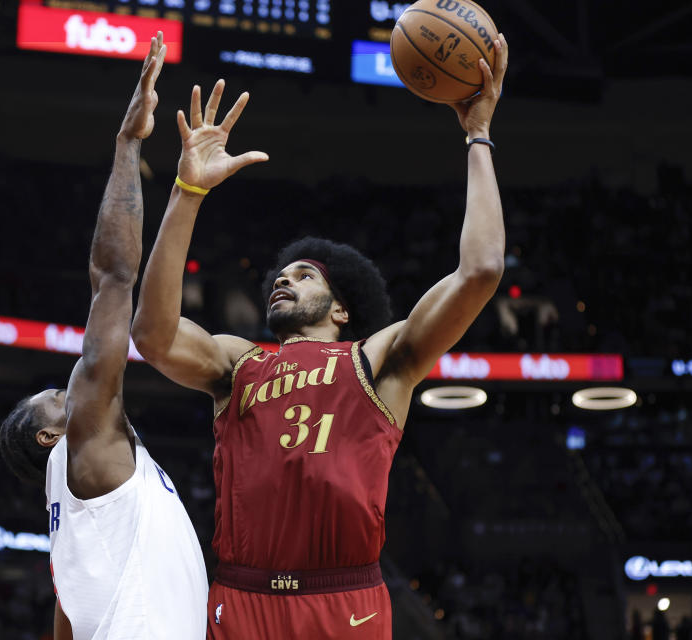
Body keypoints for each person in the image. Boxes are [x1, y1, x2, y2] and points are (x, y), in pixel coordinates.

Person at [131, 34, 509, 640]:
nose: (284, 278)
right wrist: (188, 191)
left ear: (340, 310)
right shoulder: (239, 362)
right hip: (241, 593)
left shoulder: (379, 359)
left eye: (304, 275)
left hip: (344, 600)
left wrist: (478, 134)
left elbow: (482, 270)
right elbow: (151, 335)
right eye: (281, 274)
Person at [0, 33, 207, 640]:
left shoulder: (70, 528)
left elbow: (65, 623)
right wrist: (127, 144)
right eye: (59, 400)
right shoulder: (84, 446)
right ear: (51, 434)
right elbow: (113, 277)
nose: (75, 393)